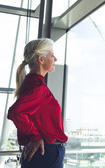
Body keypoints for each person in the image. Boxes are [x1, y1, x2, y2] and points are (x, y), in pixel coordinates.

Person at [7, 38, 68, 168]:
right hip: (45, 154)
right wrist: (35, 136)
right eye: (52, 56)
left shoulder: (32, 83)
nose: (55, 59)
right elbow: (15, 112)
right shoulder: (37, 87)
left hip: (43, 153)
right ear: (41, 60)